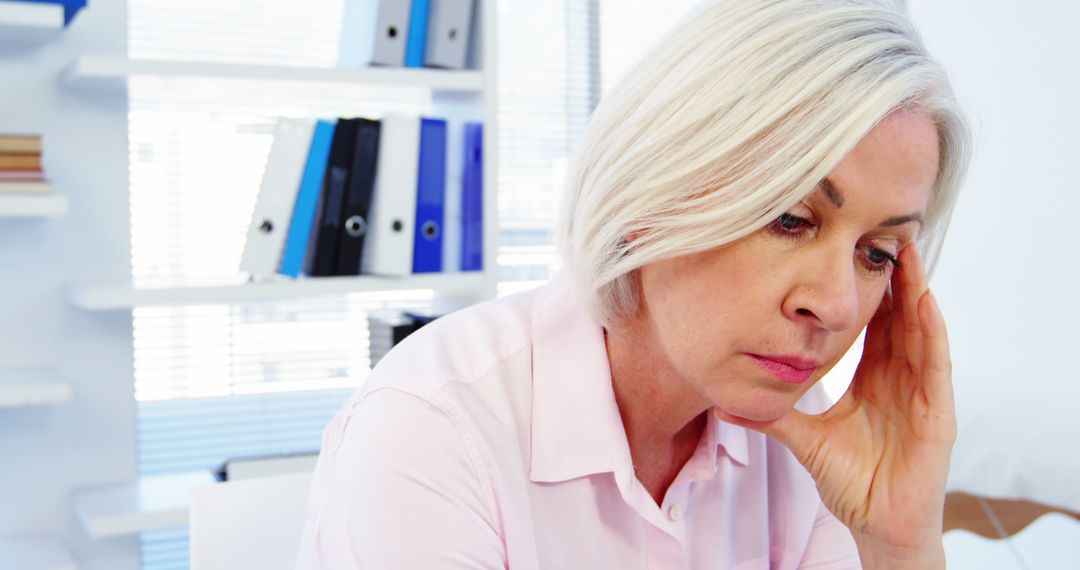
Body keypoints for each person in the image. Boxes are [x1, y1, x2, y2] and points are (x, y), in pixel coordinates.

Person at [295, 0, 971, 567]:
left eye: (877, 254)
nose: (835, 304)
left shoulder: (800, 443)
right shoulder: (433, 427)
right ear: (655, 195)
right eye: (790, 219)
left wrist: (896, 543)